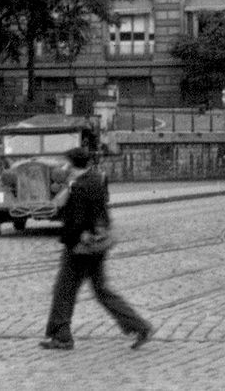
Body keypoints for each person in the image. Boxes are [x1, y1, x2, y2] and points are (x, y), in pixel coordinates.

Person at [41, 146, 152, 351]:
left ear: (72, 165)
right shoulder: (96, 179)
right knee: (102, 291)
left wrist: (71, 239)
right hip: (98, 246)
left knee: (63, 290)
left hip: (80, 248)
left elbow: (77, 220)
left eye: (66, 163)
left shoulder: (79, 187)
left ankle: (62, 336)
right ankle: (139, 326)